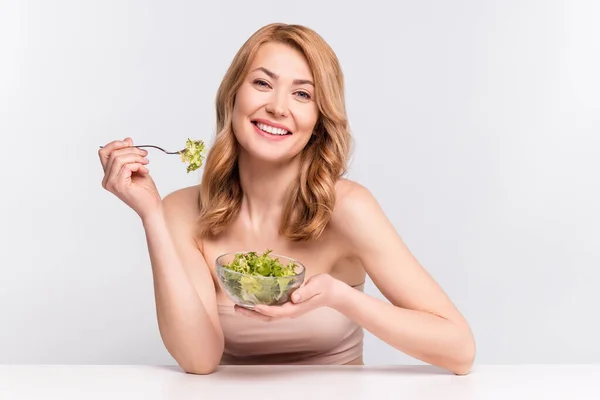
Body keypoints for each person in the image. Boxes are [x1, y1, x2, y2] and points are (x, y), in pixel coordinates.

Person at [98, 23, 476, 375]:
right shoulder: (181, 211)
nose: (278, 107)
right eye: (262, 83)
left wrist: (339, 297)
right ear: (233, 96)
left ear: (319, 119)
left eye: (301, 94)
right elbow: (199, 359)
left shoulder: (348, 208)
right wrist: (150, 215)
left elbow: (459, 349)